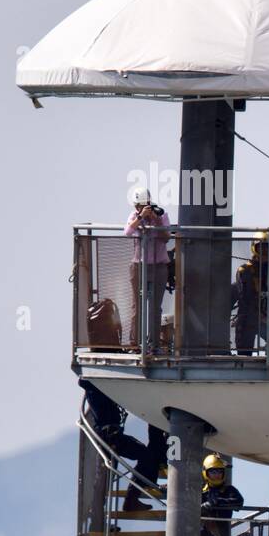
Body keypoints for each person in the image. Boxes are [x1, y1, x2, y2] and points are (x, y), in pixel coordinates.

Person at [79, 379, 168, 512]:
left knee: (107, 476)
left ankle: (102, 512)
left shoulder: (97, 389)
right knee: (146, 456)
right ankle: (130, 500)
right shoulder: (96, 389)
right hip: (111, 437)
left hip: (110, 436)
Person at [123, 186, 171, 354]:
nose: (141, 208)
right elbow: (128, 232)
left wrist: (155, 220)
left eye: (144, 205)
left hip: (158, 266)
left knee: (155, 307)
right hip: (139, 265)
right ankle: (135, 344)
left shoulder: (162, 215)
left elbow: (166, 238)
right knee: (137, 306)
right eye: (139, 206)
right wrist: (140, 218)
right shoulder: (134, 216)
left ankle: (154, 344)